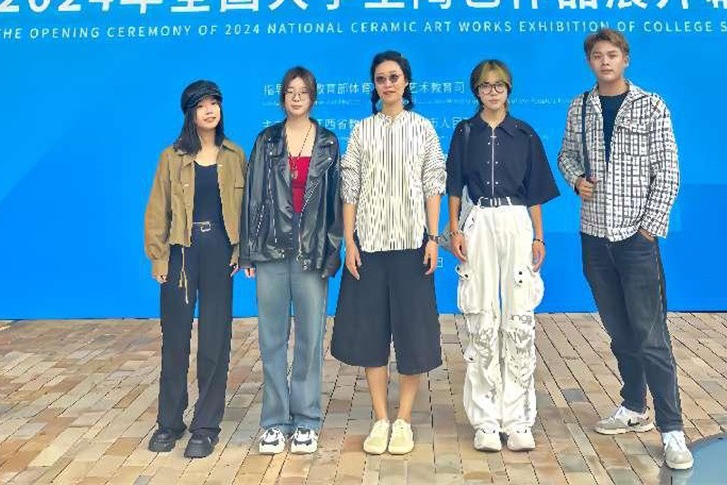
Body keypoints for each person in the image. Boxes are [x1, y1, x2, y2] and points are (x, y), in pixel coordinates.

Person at [557, 29, 693, 470]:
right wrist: (577, 180)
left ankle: (672, 430)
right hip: (594, 236)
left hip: (636, 238)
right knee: (619, 331)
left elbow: (668, 171)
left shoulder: (651, 105)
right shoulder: (580, 106)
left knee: (652, 337)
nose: (605, 62)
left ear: (625, 59)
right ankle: (634, 406)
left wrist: (649, 229)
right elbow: (566, 156)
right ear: (589, 62)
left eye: (612, 55)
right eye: (597, 56)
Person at [330, 50, 446, 456]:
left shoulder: (423, 128)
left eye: (394, 77)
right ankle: (381, 418)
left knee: (414, 336)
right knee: (371, 335)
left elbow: (433, 184)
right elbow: (350, 188)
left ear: (406, 81)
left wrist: (433, 237)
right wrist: (350, 241)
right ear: (374, 85)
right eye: (381, 78)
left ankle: (404, 420)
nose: (388, 84)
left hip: (413, 247)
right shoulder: (362, 130)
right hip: (370, 248)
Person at [446, 59, 560, 452]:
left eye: (499, 85)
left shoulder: (524, 133)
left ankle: (518, 419)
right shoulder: (465, 132)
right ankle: (485, 421)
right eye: (485, 85)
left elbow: (535, 192)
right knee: (481, 315)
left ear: (509, 89)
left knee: (519, 317)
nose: (492, 92)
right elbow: (454, 186)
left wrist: (539, 237)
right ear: (476, 91)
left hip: (516, 221)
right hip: (479, 221)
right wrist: (455, 229)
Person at [239, 66, 342, 455]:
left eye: (303, 91)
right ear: (282, 97)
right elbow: (252, 197)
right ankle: (274, 422)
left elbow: (335, 202)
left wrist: (331, 252)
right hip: (270, 251)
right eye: (290, 91)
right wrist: (249, 250)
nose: (296, 97)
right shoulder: (266, 140)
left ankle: (307, 420)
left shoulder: (328, 142)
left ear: (313, 97)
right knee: (272, 338)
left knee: (310, 339)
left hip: (311, 254)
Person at [144, 80, 245, 459]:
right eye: (202, 105)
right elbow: (157, 209)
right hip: (181, 255)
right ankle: (169, 422)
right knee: (175, 341)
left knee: (215, 341)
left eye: (215, 102)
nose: (210, 110)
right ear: (190, 113)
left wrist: (242, 252)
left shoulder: (234, 155)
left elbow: (247, 209)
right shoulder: (171, 157)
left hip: (220, 253)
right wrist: (158, 257)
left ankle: (206, 426)